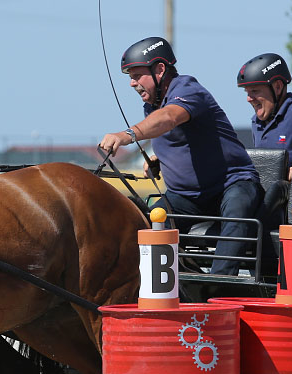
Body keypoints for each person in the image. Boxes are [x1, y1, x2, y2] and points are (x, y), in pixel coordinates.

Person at [100, 37, 263, 275]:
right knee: (147, 224)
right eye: (130, 78)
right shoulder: (152, 104)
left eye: (136, 76)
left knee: (237, 211)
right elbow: (176, 137)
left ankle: (217, 288)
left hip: (230, 184)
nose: (132, 84)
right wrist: (159, 158)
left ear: (160, 69)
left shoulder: (187, 89)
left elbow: (170, 119)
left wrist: (127, 135)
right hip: (186, 197)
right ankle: (160, 286)